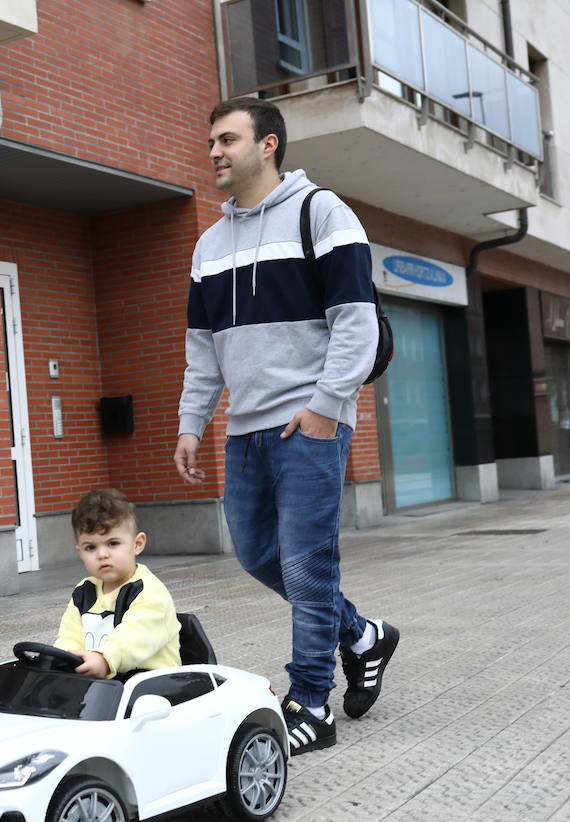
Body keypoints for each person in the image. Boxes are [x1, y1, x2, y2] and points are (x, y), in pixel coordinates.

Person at [173, 97, 399, 755]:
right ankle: (361, 635)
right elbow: (202, 346)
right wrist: (193, 422)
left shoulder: (321, 213)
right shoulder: (208, 245)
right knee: (255, 552)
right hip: (245, 429)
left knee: (306, 560)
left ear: (268, 144)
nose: (214, 151)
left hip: (308, 421)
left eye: (227, 139)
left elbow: (356, 321)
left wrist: (327, 406)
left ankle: (309, 702)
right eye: (211, 140)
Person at [53, 489, 181, 679]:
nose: (102, 554)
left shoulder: (149, 592)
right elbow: (71, 635)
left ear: (137, 544)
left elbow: (134, 637)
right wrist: (62, 659)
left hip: (153, 684)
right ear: (80, 552)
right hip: (106, 684)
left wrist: (104, 659)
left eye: (112, 543)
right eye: (91, 547)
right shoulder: (83, 592)